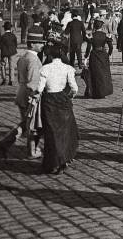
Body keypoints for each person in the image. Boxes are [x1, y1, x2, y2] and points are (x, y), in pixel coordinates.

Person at [0, 29, 46, 159]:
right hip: (30, 95)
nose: (42, 45)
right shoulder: (34, 60)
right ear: (32, 44)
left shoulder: (23, 57)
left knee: (25, 124)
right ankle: (32, 151)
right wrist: (35, 97)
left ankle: (5, 143)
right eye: (39, 43)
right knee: (33, 125)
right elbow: (33, 82)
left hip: (21, 92)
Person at [39, 45, 79, 175]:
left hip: (49, 100)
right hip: (63, 100)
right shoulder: (68, 68)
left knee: (51, 133)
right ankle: (64, 160)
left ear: (49, 55)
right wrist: (69, 97)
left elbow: (39, 88)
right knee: (65, 132)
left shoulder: (45, 68)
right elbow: (74, 88)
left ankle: (52, 162)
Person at [83, 19, 114, 99]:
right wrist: (108, 54)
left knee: (95, 73)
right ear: (101, 26)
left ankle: (96, 92)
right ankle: (104, 91)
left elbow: (88, 47)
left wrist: (86, 56)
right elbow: (111, 46)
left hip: (94, 54)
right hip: (103, 55)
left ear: (94, 26)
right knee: (104, 73)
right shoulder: (105, 35)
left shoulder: (91, 35)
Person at [0, 21, 18, 86]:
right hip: (12, 52)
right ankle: (11, 80)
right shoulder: (13, 36)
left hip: (4, 52)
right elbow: (16, 44)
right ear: (10, 28)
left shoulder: (3, 36)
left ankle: (4, 79)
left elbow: (0, 45)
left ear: (4, 28)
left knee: (3, 66)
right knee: (11, 67)